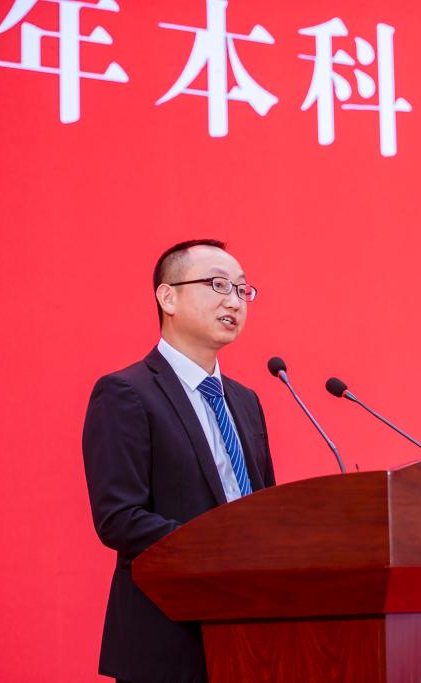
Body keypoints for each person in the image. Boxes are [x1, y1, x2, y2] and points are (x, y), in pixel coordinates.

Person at [82, 239, 275, 682]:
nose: (234, 301)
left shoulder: (245, 401)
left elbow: (263, 508)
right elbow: (119, 518)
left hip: (251, 637)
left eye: (242, 289)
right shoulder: (127, 393)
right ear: (168, 298)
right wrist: (221, 551)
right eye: (218, 285)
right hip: (169, 641)